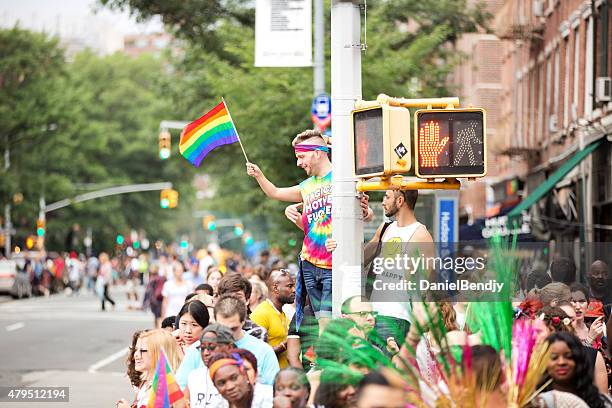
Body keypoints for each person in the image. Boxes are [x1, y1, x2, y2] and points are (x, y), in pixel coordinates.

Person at [247, 129, 372, 330]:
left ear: (317, 152)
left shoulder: (343, 180)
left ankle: (326, 360)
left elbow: (368, 213)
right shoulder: (306, 186)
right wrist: (259, 175)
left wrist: (365, 212)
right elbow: (275, 192)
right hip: (309, 263)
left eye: (301, 156)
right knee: (316, 318)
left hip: (333, 263)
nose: (298, 163)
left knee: (327, 320)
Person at [366, 190, 434, 348]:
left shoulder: (421, 235)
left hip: (397, 316)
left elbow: (428, 284)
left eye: (387, 197)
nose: (383, 202)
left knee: (385, 370)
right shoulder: (385, 228)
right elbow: (360, 259)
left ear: (400, 200)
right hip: (371, 315)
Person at [214, 294, 280, 385]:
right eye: (222, 328)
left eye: (233, 329)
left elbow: (274, 389)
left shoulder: (264, 351)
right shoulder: (202, 349)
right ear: (215, 322)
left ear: (243, 322)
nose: (227, 334)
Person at [116, 329, 183, 408]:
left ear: (158, 353)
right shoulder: (146, 381)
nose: (136, 355)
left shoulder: (166, 387)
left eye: (142, 350)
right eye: (136, 350)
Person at [543, 332, 612, 408]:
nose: (561, 362)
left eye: (568, 356)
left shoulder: (600, 401)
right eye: (554, 357)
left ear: (578, 360)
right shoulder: (537, 401)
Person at [251, 269, 296, 368]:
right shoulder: (261, 314)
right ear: (276, 288)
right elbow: (256, 355)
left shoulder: (283, 313)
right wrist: (286, 344)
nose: (294, 290)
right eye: (290, 286)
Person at [184, 324, 235, 408]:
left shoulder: (240, 374)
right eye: (202, 348)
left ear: (229, 347)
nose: (206, 353)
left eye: (212, 347)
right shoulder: (194, 376)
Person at [209, 353, 274, 408]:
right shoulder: (218, 404)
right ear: (215, 386)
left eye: (234, 378)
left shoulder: (270, 399)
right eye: (221, 383)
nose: (230, 387)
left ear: (245, 375)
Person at [218, 273, 268, 342]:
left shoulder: (257, 332)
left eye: (238, 296)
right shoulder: (212, 331)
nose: (233, 301)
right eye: (228, 296)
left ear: (247, 300)